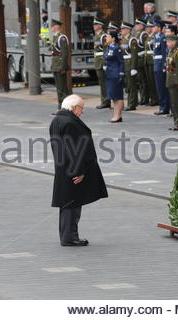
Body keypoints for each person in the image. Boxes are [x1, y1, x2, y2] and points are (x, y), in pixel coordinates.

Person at [50, 94, 108, 247]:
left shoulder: (57, 120)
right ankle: (70, 237)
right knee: (72, 204)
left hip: (63, 168)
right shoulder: (70, 123)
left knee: (67, 203)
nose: (82, 112)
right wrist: (79, 171)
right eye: (81, 108)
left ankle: (67, 235)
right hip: (72, 170)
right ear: (74, 107)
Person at [104, 31, 125, 123]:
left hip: (115, 73)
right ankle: (115, 114)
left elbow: (121, 61)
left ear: (113, 38)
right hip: (109, 73)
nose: (106, 38)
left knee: (118, 95)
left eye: (108, 36)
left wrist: (121, 73)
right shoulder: (109, 47)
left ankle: (118, 115)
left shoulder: (117, 48)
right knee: (113, 96)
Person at [165, 34, 178, 131]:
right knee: (173, 103)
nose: (167, 43)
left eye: (169, 41)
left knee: (177, 103)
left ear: (174, 42)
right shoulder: (170, 52)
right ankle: (176, 122)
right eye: (167, 41)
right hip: (170, 80)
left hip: (175, 81)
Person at [50, 19, 70, 110]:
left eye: (53, 26)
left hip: (60, 65)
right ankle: (61, 105)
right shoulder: (55, 37)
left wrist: (63, 67)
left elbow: (65, 54)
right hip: (56, 65)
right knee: (59, 87)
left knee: (62, 88)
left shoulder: (62, 38)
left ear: (57, 26)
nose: (52, 27)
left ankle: (64, 106)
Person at [152, 20, 171, 115]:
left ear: (159, 27)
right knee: (159, 87)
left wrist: (164, 65)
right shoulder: (156, 37)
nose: (152, 28)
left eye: (154, 26)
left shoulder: (163, 38)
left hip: (160, 65)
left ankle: (165, 107)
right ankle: (162, 106)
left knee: (163, 88)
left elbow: (164, 53)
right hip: (156, 64)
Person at [93, 18, 111, 110]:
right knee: (101, 83)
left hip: (101, 62)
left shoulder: (103, 36)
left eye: (96, 24)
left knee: (104, 83)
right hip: (98, 61)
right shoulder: (97, 35)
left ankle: (106, 101)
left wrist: (105, 63)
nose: (94, 26)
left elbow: (106, 50)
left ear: (100, 26)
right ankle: (104, 100)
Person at [133, 18, 149, 106]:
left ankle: (145, 98)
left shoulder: (144, 35)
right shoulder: (136, 34)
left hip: (142, 59)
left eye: (138, 24)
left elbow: (146, 48)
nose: (136, 26)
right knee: (141, 81)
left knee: (144, 80)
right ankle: (143, 97)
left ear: (142, 26)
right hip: (138, 59)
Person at [143, 19, 159, 107]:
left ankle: (155, 99)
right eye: (147, 27)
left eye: (150, 27)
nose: (148, 28)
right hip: (148, 61)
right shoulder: (149, 37)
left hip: (153, 60)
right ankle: (153, 98)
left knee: (153, 81)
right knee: (149, 81)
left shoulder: (155, 37)